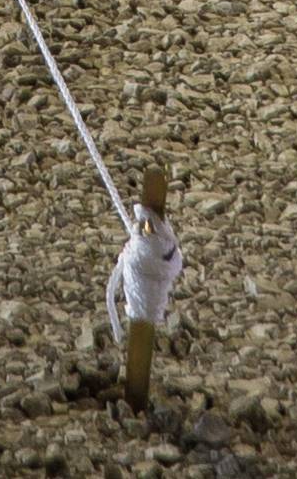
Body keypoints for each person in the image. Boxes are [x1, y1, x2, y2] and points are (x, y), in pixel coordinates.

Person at [104, 173, 182, 415]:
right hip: (148, 252)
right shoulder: (150, 241)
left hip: (150, 252)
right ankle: (134, 397)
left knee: (144, 313)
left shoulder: (152, 238)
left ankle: (136, 397)